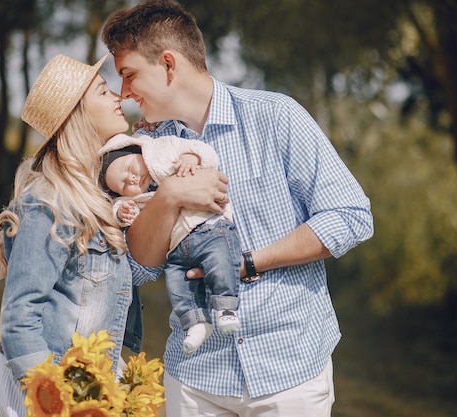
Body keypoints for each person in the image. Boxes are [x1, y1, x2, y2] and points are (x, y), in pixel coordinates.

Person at [102, 1, 374, 416]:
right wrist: (170, 194)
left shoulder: (275, 116)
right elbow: (140, 267)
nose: (124, 94)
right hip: (196, 378)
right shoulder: (145, 153)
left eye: (129, 74)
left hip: (289, 371)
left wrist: (247, 262)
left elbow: (350, 215)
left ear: (169, 65)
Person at [0, 53, 227, 417]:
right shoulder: (48, 202)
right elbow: (19, 319)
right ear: (78, 116)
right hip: (50, 384)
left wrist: (169, 198)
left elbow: (136, 275)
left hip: (92, 384)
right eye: (102, 91)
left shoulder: (102, 197)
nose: (118, 96)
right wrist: (54, 400)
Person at [99, 133, 242, 355]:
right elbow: (119, 209)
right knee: (178, 283)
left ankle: (226, 308)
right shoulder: (137, 199)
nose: (132, 179)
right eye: (124, 184)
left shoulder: (166, 150)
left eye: (129, 167)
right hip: (178, 246)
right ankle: (195, 322)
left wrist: (192, 158)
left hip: (209, 226)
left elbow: (206, 152)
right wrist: (123, 212)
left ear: (137, 150)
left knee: (220, 260)